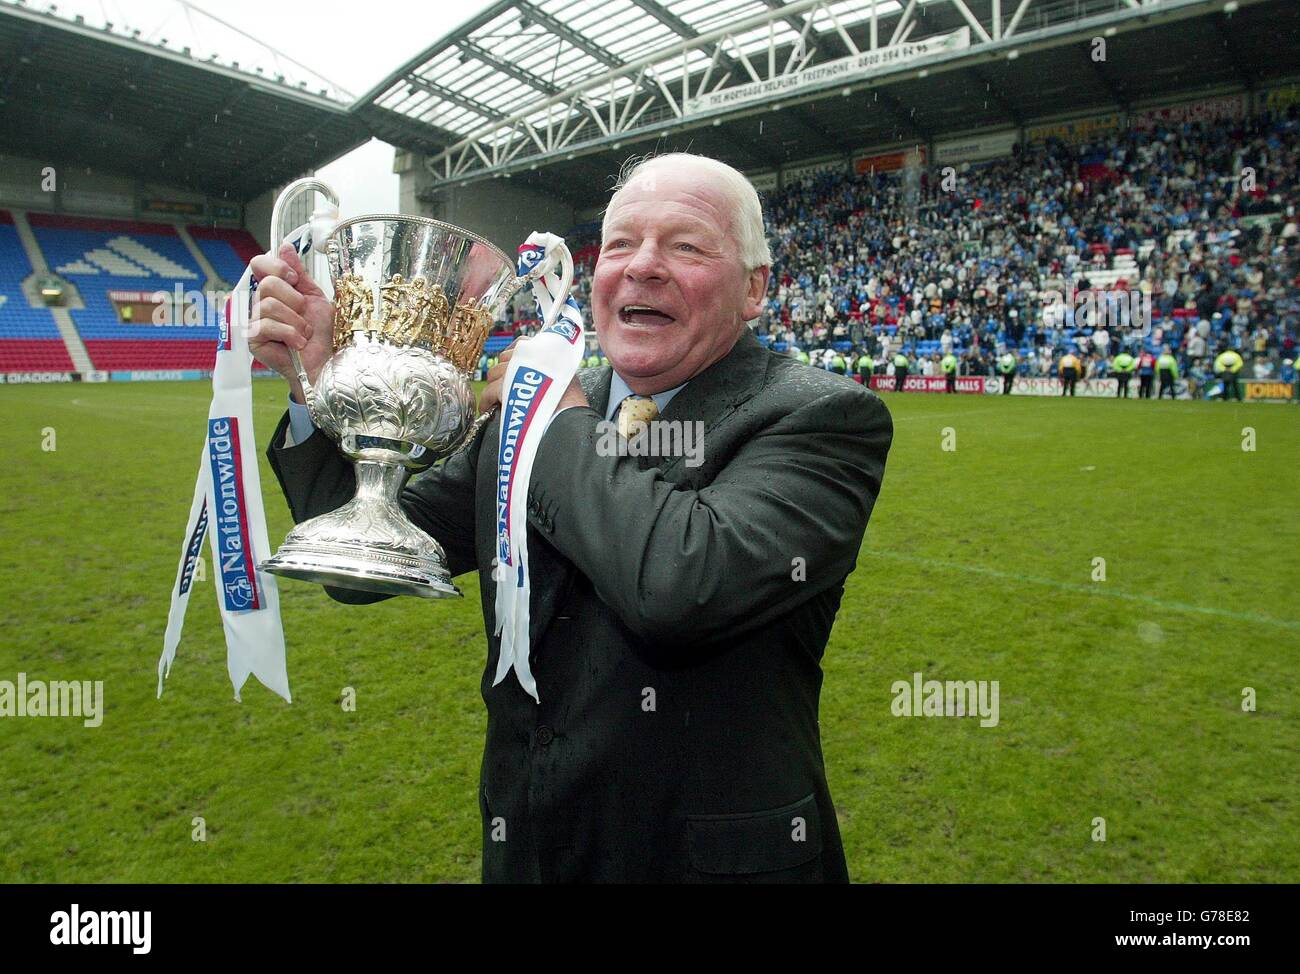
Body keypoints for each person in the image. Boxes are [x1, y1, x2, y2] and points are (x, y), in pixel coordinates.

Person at [248, 153, 893, 883]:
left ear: (754, 289)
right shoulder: (537, 408)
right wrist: (321, 383)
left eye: (685, 245)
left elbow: (682, 583)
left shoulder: (820, 416)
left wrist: (554, 420)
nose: (642, 267)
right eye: (619, 244)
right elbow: (370, 558)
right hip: (531, 848)